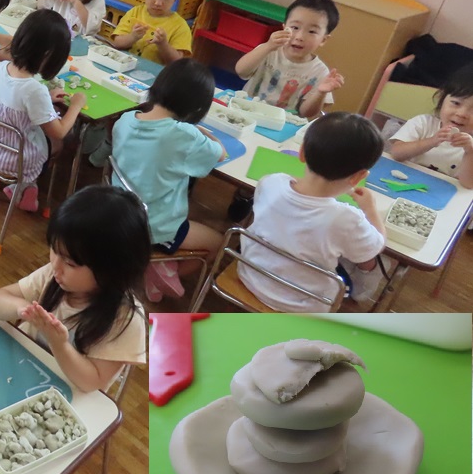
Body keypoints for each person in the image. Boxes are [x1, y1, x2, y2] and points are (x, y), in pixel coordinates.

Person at [0, 184, 148, 392]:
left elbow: (91, 382)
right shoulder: (54, 276)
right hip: (22, 371)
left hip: (62, 397)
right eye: (54, 250)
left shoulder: (125, 318)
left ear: (111, 269)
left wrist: (59, 344)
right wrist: (21, 309)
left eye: (70, 263)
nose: (56, 265)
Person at [240, 112, 387, 310]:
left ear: (301, 153)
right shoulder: (346, 219)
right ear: (358, 177)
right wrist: (370, 208)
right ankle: (359, 296)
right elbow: (377, 244)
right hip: (302, 304)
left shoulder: (271, 182)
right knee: (375, 261)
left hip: (251, 275)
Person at [109, 58, 225, 259]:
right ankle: (151, 273)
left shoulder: (125, 119)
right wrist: (205, 134)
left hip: (117, 212)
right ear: (197, 107)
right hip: (153, 227)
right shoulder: (184, 134)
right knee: (219, 243)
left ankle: (153, 269)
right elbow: (220, 154)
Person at [0, 10, 86, 213]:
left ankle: (23, 187)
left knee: (37, 131)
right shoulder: (34, 90)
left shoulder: (2, 68)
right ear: (48, 56)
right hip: (13, 161)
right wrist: (76, 106)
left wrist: (47, 98)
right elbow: (59, 131)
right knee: (60, 143)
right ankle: (26, 184)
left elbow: (17, 101)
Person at [234, 0, 345, 119]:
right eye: (295, 27)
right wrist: (268, 46)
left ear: (323, 40)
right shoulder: (269, 50)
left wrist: (321, 92)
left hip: (283, 124)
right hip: (246, 113)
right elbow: (241, 71)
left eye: (312, 31)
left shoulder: (320, 72)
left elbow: (306, 113)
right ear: (284, 27)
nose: (300, 37)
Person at [387, 62, 473, 188]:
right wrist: (432, 141)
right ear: (441, 99)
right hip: (403, 181)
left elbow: (468, 184)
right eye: (456, 103)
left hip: (442, 192)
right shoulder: (423, 123)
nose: (462, 114)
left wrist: (470, 151)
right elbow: (396, 153)